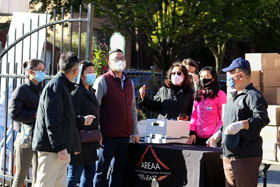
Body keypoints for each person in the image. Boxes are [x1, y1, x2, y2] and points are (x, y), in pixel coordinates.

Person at [32, 52, 95, 187]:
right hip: (52, 149)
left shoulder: (62, 86)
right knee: (45, 184)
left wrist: (81, 120)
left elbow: (64, 117)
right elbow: (52, 120)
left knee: (57, 184)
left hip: (59, 148)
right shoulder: (57, 86)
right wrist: (60, 147)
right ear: (75, 70)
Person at [207, 57, 270, 187]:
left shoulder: (253, 96)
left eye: (231, 73)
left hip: (245, 156)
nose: (228, 76)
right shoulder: (233, 98)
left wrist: (242, 124)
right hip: (229, 155)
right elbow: (228, 122)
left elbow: (262, 119)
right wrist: (218, 134)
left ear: (240, 75)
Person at [93, 49, 139, 187]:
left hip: (124, 136)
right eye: (116, 58)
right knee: (101, 171)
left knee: (118, 172)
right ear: (109, 63)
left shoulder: (129, 83)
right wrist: (97, 130)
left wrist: (135, 131)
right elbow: (95, 108)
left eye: (122, 58)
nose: (120, 61)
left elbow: (132, 110)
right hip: (106, 136)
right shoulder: (102, 80)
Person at [8, 59, 46, 187]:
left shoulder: (42, 88)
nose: (43, 73)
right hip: (25, 136)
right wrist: (33, 115)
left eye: (44, 70)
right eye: (40, 70)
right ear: (31, 72)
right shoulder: (22, 89)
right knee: (21, 174)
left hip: (39, 135)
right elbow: (13, 112)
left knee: (38, 174)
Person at [67, 60, 100, 187]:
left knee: (89, 177)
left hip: (91, 142)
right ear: (81, 75)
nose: (93, 75)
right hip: (79, 143)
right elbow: (72, 119)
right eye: (89, 72)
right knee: (74, 176)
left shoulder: (92, 92)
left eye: (94, 72)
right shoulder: (76, 93)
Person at [187, 66, 227, 145]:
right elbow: (194, 115)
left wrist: (214, 136)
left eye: (206, 77)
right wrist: (192, 132)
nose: (203, 79)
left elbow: (223, 118)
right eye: (201, 76)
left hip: (213, 139)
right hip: (196, 138)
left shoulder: (220, 95)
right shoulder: (198, 94)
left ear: (213, 78)